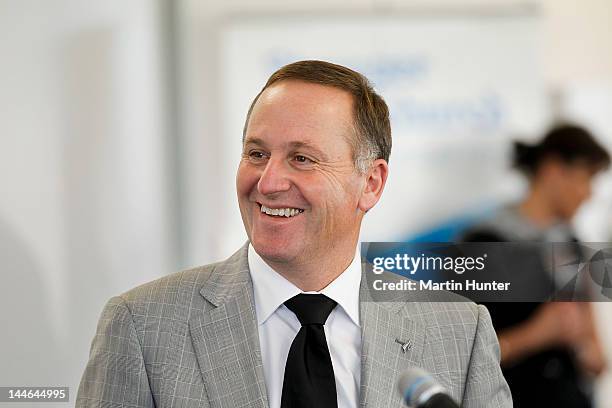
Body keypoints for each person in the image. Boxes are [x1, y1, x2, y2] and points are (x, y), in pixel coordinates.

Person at [76, 60, 511, 408]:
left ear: (371, 183)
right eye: (256, 153)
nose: (267, 182)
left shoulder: (459, 331)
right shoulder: (142, 325)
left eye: (301, 159)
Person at [460, 124, 610, 407]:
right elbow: (462, 358)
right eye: (585, 178)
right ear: (552, 170)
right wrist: (538, 334)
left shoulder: (572, 243)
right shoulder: (483, 243)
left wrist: (589, 352)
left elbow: (596, 356)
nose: (589, 194)